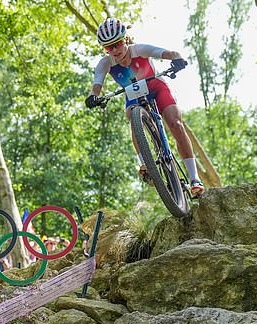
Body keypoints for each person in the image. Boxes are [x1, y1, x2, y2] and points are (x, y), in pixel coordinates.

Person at [85, 17, 205, 198]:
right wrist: (93, 96)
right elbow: (97, 84)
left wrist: (176, 57)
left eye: (117, 44)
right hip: (134, 96)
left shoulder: (139, 50)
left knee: (176, 124)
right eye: (109, 47)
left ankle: (195, 178)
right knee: (133, 116)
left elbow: (163, 52)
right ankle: (145, 163)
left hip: (157, 88)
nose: (115, 50)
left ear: (125, 39)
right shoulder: (105, 63)